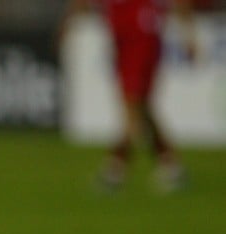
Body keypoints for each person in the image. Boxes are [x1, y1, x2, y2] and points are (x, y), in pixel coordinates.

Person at [60, 0, 197, 192]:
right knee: (142, 106)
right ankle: (170, 164)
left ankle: (116, 168)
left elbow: (180, 5)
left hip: (142, 42)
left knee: (132, 106)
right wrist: (68, 23)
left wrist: (189, 36)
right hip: (123, 44)